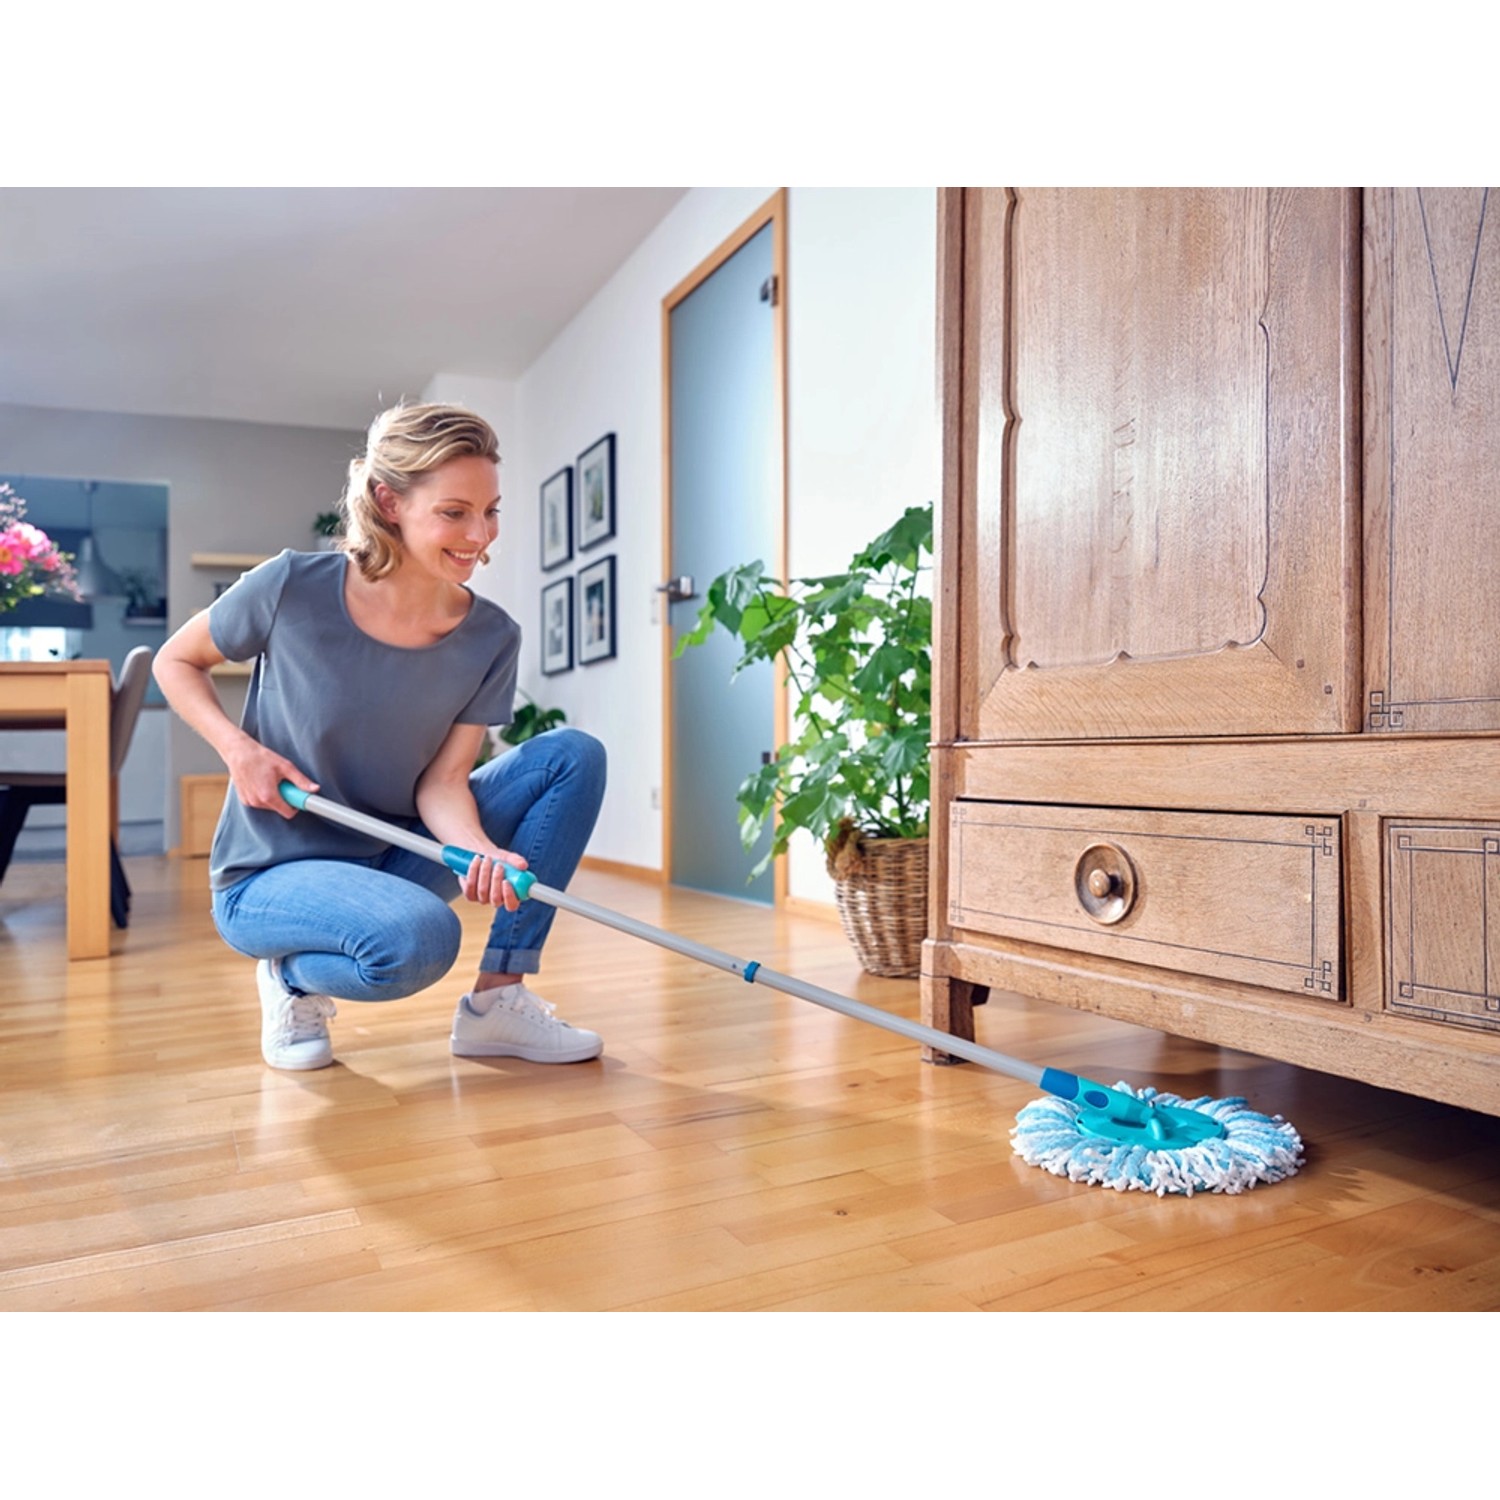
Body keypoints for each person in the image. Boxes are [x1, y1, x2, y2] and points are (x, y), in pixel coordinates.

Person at [153, 402, 607, 1071]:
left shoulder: (491, 636)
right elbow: (175, 660)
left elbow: (444, 780)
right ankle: (290, 980)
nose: (480, 534)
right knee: (420, 941)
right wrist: (237, 748)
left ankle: (498, 1001)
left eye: (491, 510)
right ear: (388, 501)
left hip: (396, 855)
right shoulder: (291, 587)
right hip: (273, 873)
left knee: (571, 757)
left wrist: (481, 850)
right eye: (454, 512)